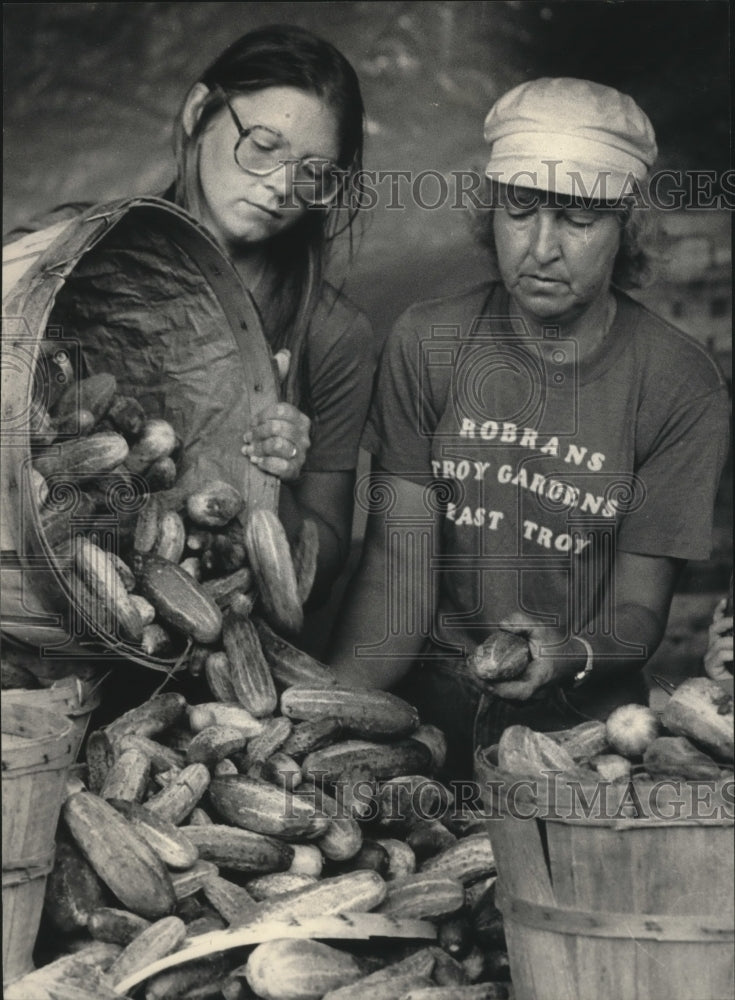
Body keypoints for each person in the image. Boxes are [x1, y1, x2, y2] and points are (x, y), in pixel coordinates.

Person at [329, 78, 730, 772]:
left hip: (586, 744)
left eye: (577, 218)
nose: (540, 247)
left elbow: (639, 613)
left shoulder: (679, 384)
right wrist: (326, 705)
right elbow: (398, 570)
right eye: (519, 209)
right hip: (426, 729)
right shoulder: (428, 341)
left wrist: (565, 654)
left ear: (624, 227)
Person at [5, 24, 375, 611]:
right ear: (199, 111)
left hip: (188, 638)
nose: (282, 187)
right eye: (261, 144)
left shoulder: (336, 335)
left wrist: (279, 482)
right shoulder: (66, 255)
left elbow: (324, 562)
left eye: (315, 174)